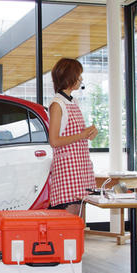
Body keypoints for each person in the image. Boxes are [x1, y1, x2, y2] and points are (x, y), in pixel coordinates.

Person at [48, 58, 98, 217]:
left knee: (80, 217)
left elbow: (75, 135)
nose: (81, 79)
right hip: (68, 168)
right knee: (70, 218)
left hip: (80, 166)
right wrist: (81, 135)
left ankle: (79, 243)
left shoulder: (73, 101)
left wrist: (89, 133)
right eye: (78, 75)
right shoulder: (57, 104)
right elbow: (54, 141)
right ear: (69, 77)